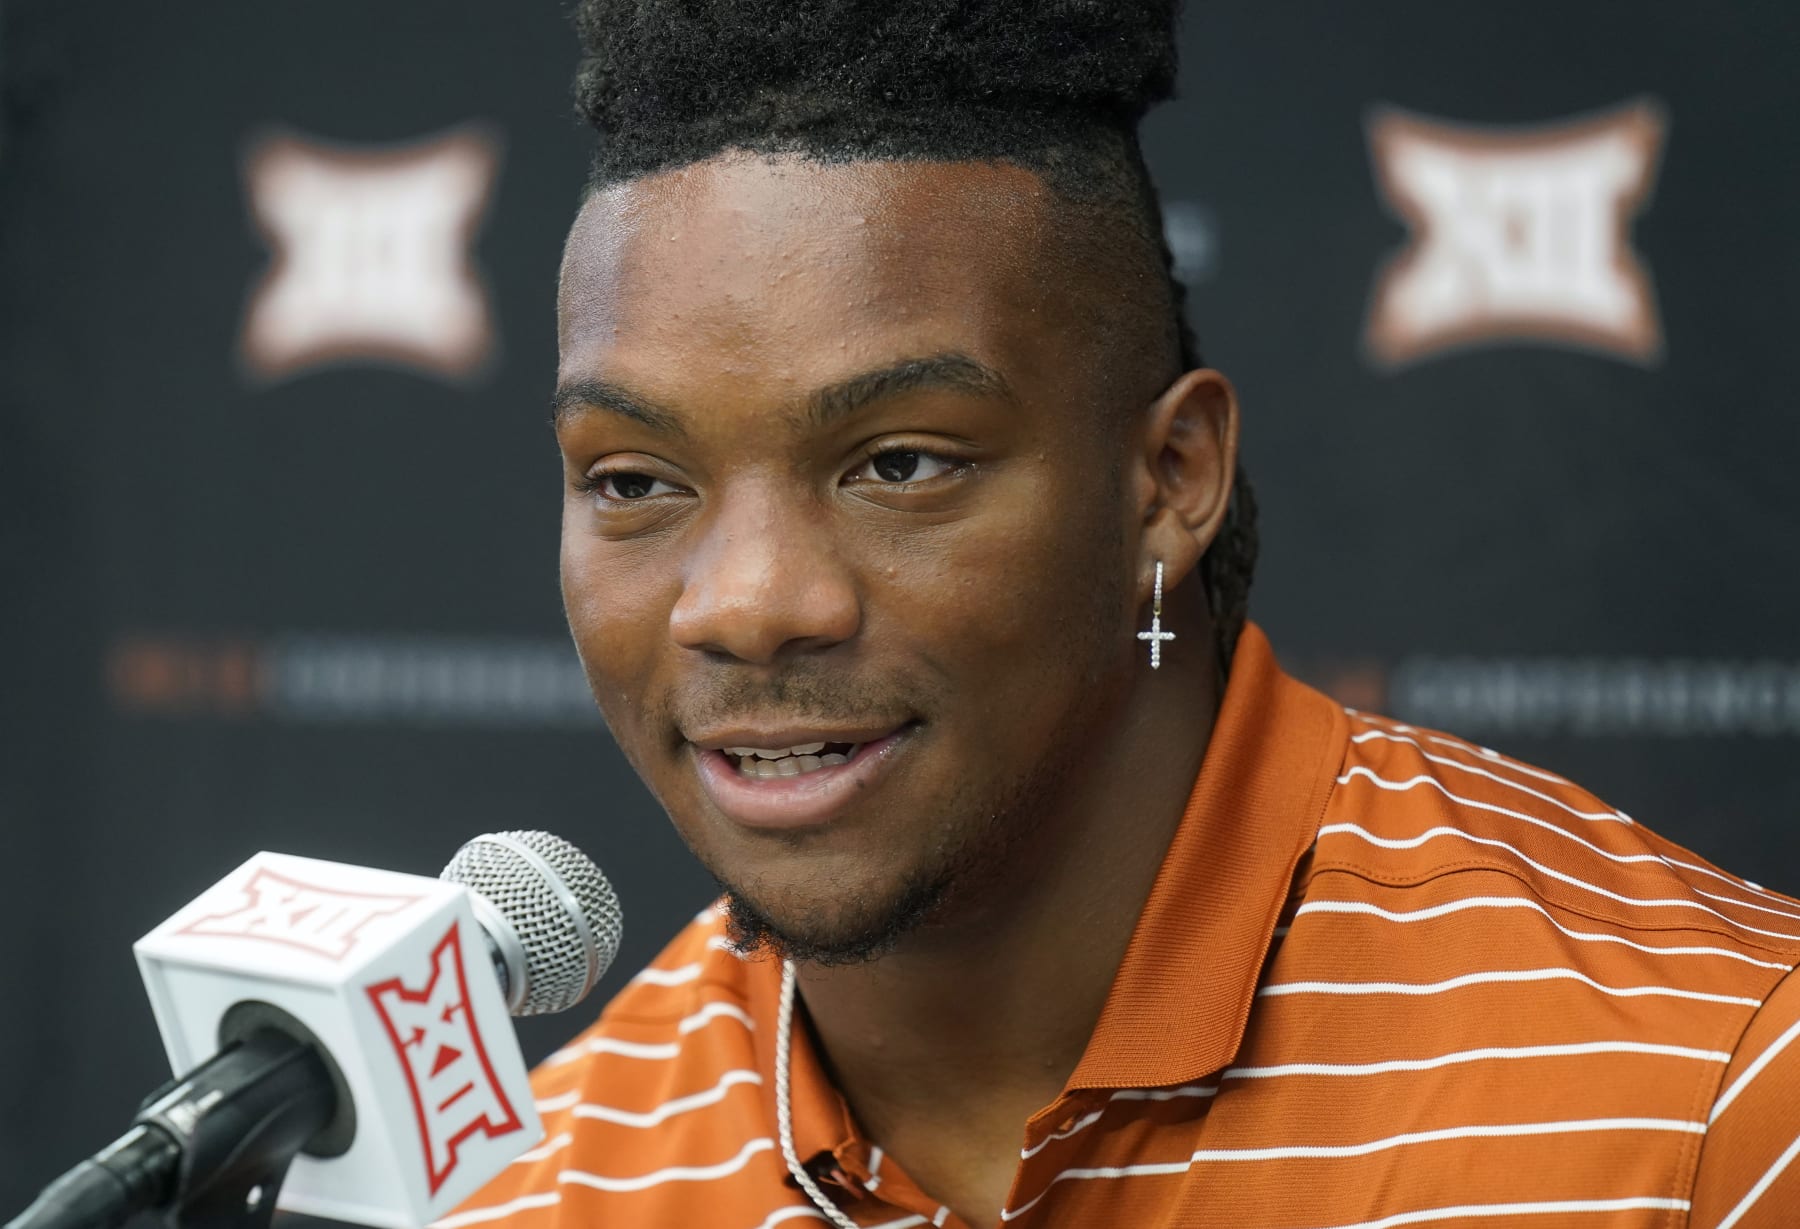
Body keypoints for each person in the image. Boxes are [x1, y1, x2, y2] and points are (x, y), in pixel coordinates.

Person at [449, 2, 1800, 1225]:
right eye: (633, 479)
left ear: (1171, 481)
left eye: (901, 463)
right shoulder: (538, 1191)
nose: (745, 605)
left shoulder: (1712, 1101)